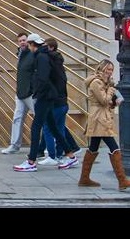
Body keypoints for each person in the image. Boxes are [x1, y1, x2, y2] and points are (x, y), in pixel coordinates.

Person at [13, 34, 78, 172]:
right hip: (49, 96)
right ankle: (70, 155)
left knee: (36, 127)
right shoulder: (45, 55)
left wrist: (37, 93)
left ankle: (31, 161)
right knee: (53, 127)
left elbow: (42, 78)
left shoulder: (41, 58)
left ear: (31, 44)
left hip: (45, 97)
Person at [76, 59, 130, 190]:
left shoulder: (104, 83)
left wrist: (115, 101)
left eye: (111, 70)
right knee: (114, 147)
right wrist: (111, 91)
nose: (110, 72)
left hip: (102, 117)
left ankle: (84, 178)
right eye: (108, 69)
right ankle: (122, 180)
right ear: (102, 68)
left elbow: (107, 102)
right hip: (99, 118)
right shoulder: (96, 82)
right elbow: (104, 100)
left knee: (93, 148)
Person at [37, 37, 80, 167]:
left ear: (50, 48)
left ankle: (52, 155)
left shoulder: (50, 63)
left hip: (54, 102)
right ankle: (60, 154)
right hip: (63, 101)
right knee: (60, 128)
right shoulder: (59, 62)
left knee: (48, 128)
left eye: (45, 46)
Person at [1, 32, 34, 154]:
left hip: (30, 93)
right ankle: (14, 145)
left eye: (24, 40)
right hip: (21, 93)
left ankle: (50, 146)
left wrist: (32, 89)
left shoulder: (32, 54)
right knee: (17, 118)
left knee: (42, 119)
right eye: (20, 41)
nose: (22, 42)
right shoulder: (20, 54)